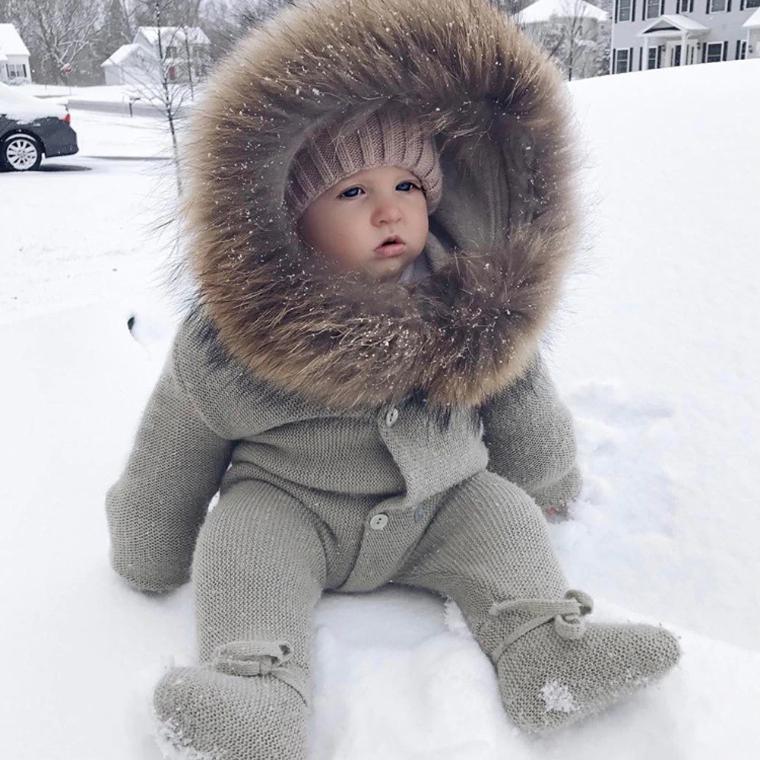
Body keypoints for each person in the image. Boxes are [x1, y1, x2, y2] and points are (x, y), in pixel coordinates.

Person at [104, 1, 681, 757]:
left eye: (407, 186)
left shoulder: (471, 297)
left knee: (500, 512)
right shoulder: (237, 330)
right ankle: (256, 693)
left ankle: (544, 653)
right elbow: (178, 435)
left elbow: (519, 392)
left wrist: (547, 478)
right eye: (350, 193)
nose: (389, 210)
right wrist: (152, 538)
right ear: (287, 216)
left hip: (440, 506)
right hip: (293, 507)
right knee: (241, 541)